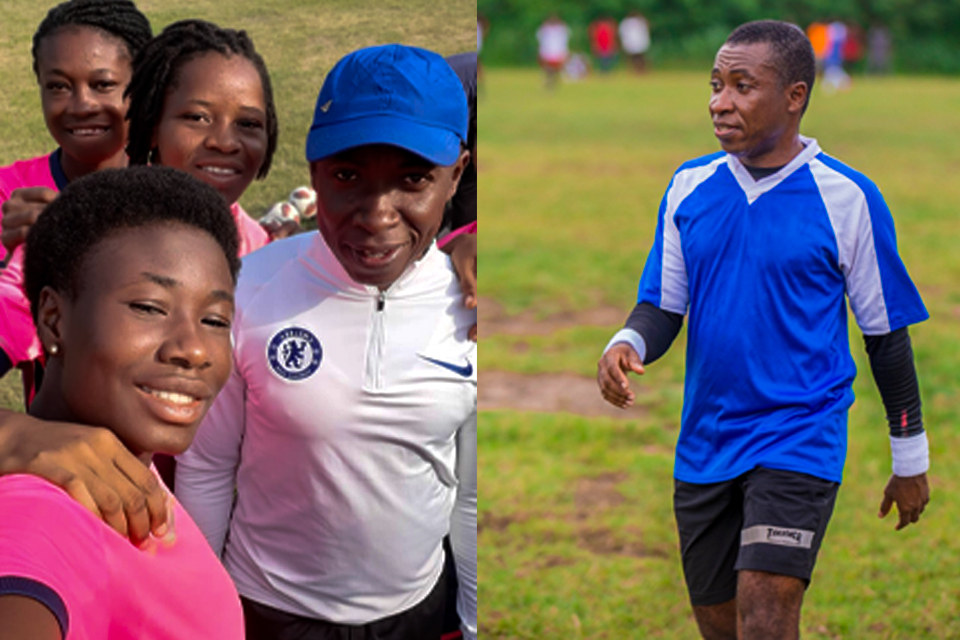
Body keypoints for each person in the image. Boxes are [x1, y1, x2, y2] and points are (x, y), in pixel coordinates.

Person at [596, 21, 929, 639]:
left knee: (767, 618)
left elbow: (886, 337)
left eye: (743, 86)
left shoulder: (848, 198)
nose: (721, 101)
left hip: (798, 434)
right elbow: (664, 307)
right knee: (722, 627)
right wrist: (627, 342)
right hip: (705, 444)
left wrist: (910, 460)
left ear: (795, 96)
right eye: (717, 84)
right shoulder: (689, 188)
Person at [174, 44, 476, 640]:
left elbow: (469, 493)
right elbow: (208, 466)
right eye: (347, 176)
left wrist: (471, 622)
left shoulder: (472, 304)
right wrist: (204, 617)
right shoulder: (250, 287)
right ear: (313, 172)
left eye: (413, 179)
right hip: (267, 608)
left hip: (414, 611)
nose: (376, 213)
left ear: (457, 176)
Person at [0, 166, 245, 639]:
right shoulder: (41, 517)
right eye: (149, 308)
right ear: (53, 320)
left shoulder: (122, 459)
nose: (193, 349)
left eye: (215, 320)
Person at [0, 17, 278, 410]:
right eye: (196, 117)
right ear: (150, 126)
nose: (224, 141)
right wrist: (25, 436)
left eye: (249, 123)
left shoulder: (262, 252)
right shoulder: (87, 230)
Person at [0, 0, 152, 397]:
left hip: (180, 455)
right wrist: (9, 257)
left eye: (103, 84)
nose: (81, 105)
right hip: (56, 445)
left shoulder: (175, 193)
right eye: (58, 86)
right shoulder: (11, 193)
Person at [536, 13, 570, 90]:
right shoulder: (545, 29)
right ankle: (550, 81)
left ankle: (552, 81)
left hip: (557, 52)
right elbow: (541, 40)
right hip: (548, 51)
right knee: (549, 69)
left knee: (555, 69)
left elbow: (564, 41)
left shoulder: (561, 29)